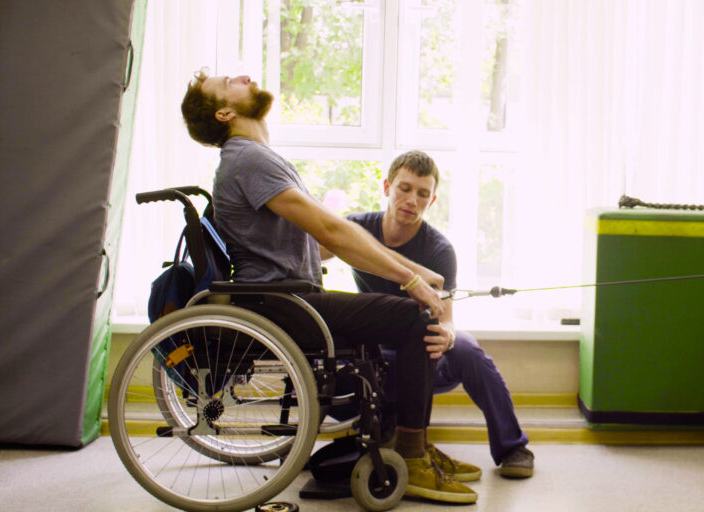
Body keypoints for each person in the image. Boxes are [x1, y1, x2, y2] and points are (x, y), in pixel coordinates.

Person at [179, 70, 477, 504]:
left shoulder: (255, 158)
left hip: (289, 297)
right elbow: (332, 232)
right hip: (283, 302)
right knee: (414, 319)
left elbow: (329, 237)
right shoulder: (249, 159)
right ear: (225, 112)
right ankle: (410, 455)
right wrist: (411, 280)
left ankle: (414, 445)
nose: (243, 76)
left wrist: (412, 269)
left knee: (400, 317)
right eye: (230, 82)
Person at [328, 150, 535, 479]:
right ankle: (390, 426)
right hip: (373, 358)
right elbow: (314, 248)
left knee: (467, 348)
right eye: (404, 188)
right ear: (387, 187)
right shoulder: (356, 228)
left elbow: (447, 319)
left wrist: (449, 333)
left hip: (420, 359)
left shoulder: (438, 249)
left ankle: (513, 447)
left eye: (422, 194)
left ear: (432, 199)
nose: (412, 200)